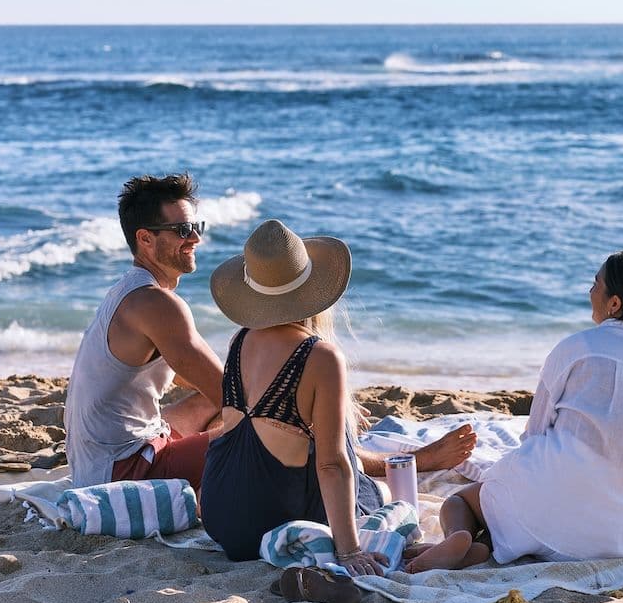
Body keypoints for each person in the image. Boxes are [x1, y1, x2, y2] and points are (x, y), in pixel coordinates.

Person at [199, 220, 478, 573]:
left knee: (312, 439)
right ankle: (405, 543)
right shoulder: (319, 356)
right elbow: (331, 465)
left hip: (221, 515)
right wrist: (349, 552)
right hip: (270, 523)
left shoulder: (239, 341)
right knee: (385, 496)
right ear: (311, 290)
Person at [407, 250, 623, 572]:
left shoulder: (577, 348)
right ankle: (485, 545)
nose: (591, 292)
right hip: (617, 535)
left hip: (549, 502)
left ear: (614, 303)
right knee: (524, 511)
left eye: (596, 283)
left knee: (463, 501)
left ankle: (462, 536)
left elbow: (535, 432)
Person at [64, 173, 224, 491]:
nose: (195, 239)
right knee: (269, 433)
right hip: (125, 471)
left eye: (197, 227)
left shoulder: (131, 290)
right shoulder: (156, 303)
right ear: (145, 239)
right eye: (182, 230)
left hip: (98, 463)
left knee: (217, 408)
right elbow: (231, 392)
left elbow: (209, 385)